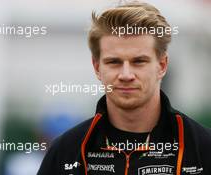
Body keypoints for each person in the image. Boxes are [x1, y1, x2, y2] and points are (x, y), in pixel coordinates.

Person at [37, 1, 211, 175]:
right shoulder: (65, 152)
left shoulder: (202, 148)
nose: (126, 75)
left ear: (162, 65)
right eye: (114, 62)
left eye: (139, 61)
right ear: (97, 68)